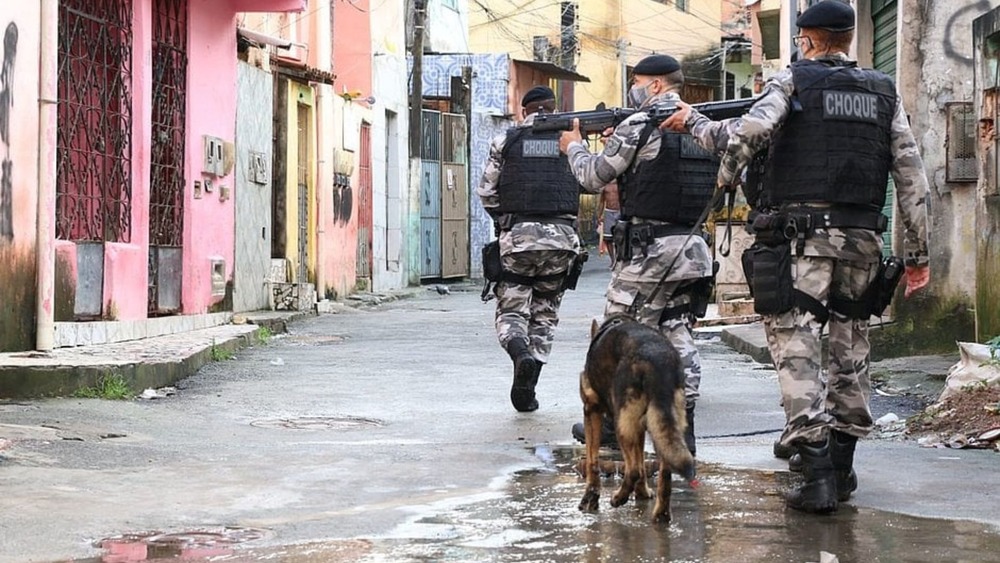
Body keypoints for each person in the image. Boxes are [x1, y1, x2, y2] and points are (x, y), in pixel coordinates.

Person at [662, 0, 931, 514]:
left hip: (800, 238)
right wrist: (915, 254)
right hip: (863, 240)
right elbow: (911, 176)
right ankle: (843, 468)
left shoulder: (791, 81)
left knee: (797, 346)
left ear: (806, 39)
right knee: (850, 347)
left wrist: (716, 163)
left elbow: (747, 133)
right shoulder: (883, 91)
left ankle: (814, 475)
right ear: (849, 40)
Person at [560, 54, 719, 457]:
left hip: (649, 254)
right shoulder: (702, 122)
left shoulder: (639, 123)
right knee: (676, 332)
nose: (632, 87)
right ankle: (686, 429)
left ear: (655, 86)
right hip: (692, 249)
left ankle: (613, 426)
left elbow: (593, 176)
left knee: (618, 335)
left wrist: (574, 147)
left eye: (637, 81)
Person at [477, 85, 585, 413]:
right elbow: (590, 180)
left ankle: (520, 354)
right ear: (554, 109)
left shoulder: (506, 141)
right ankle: (530, 384)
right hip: (563, 241)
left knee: (512, 310)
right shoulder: (571, 142)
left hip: (518, 241)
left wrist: (508, 221)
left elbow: (486, 193)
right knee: (546, 312)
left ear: (525, 111)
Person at [596, 179, 621, 267]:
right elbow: (602, 201)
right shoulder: (605, 185)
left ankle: (619, 259)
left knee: (620, 237)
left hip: (619, 212)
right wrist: (599, 215)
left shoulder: (620, 184)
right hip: (608, 212)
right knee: (608, 238)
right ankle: (613, 259)